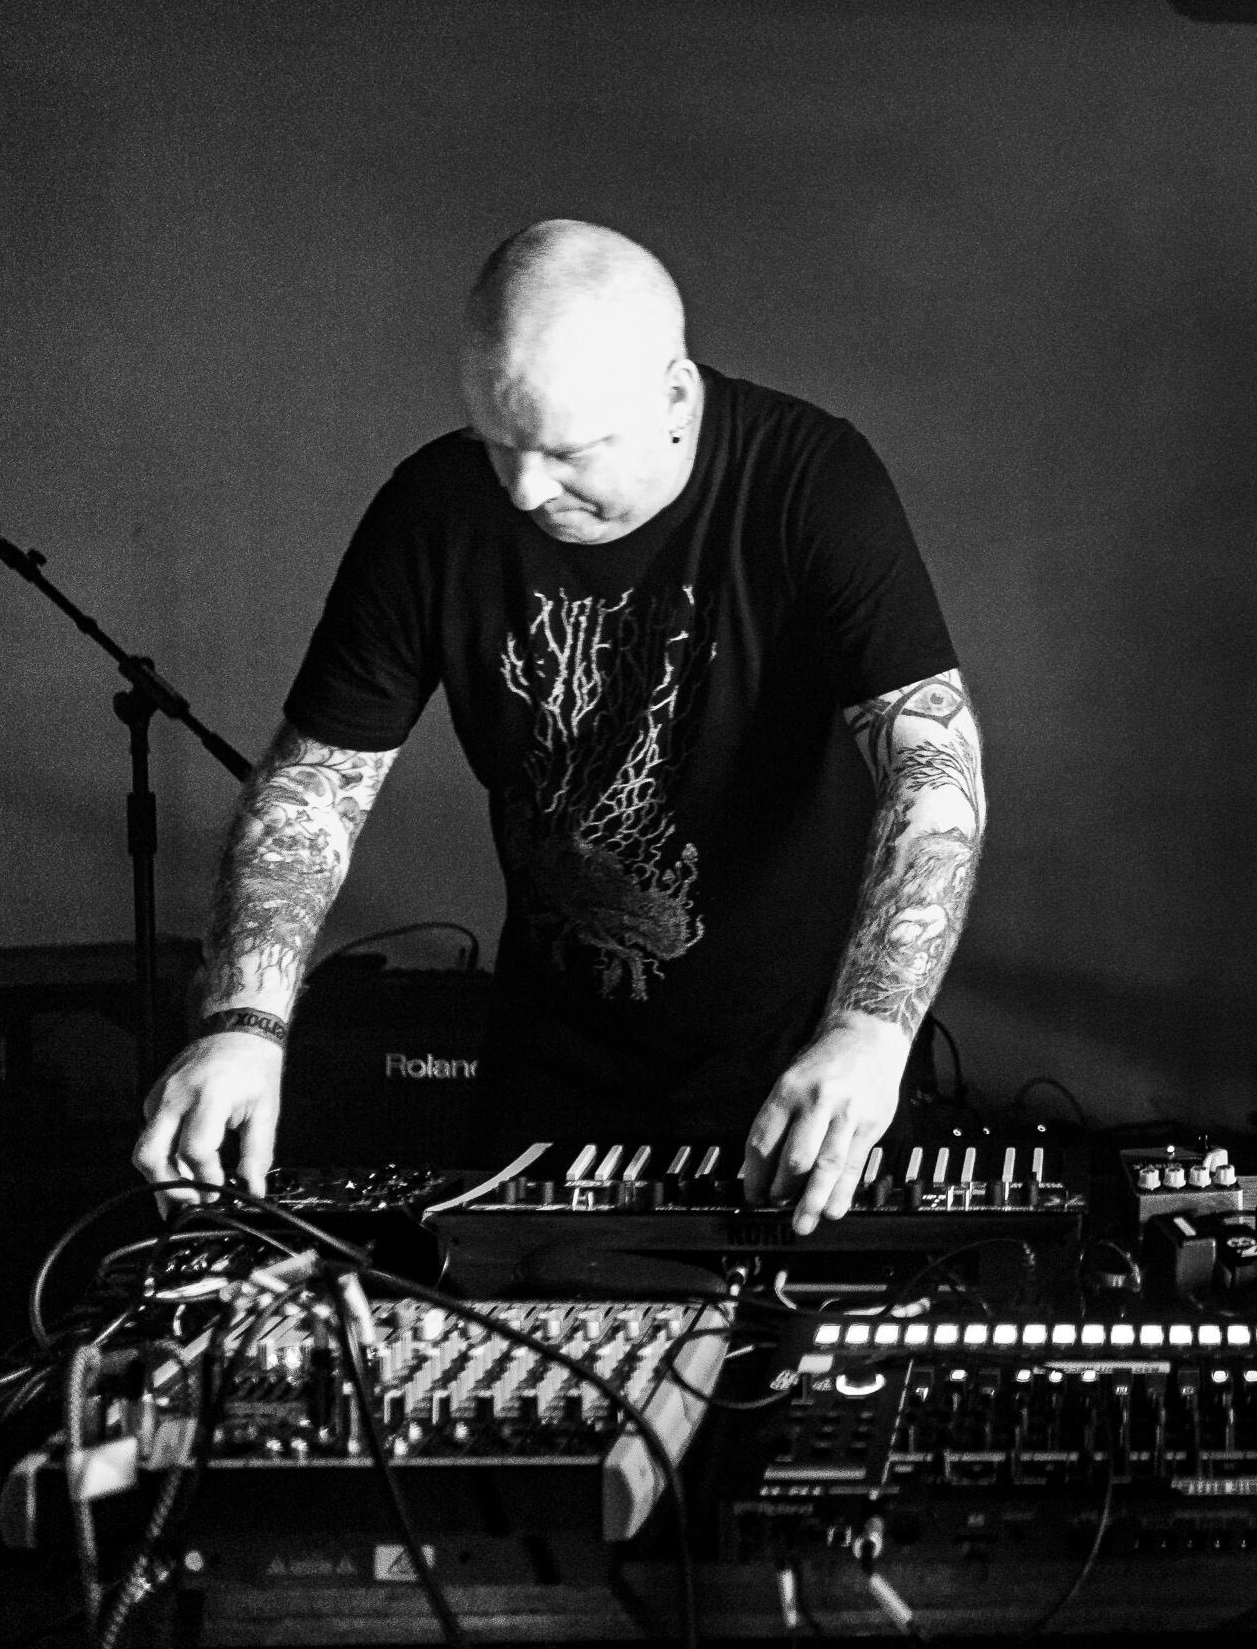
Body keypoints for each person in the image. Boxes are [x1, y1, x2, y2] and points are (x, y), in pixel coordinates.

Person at [131, 220, 983, 1234]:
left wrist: (873, 1029)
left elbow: (933, 766)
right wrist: (243, 1023)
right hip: (550, 1068)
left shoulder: (810, 479)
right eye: (500, 444)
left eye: (568, 451)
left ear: (675, 398)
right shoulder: (434, 510)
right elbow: (314, 788)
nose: (527, 490)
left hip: (804, 1064)